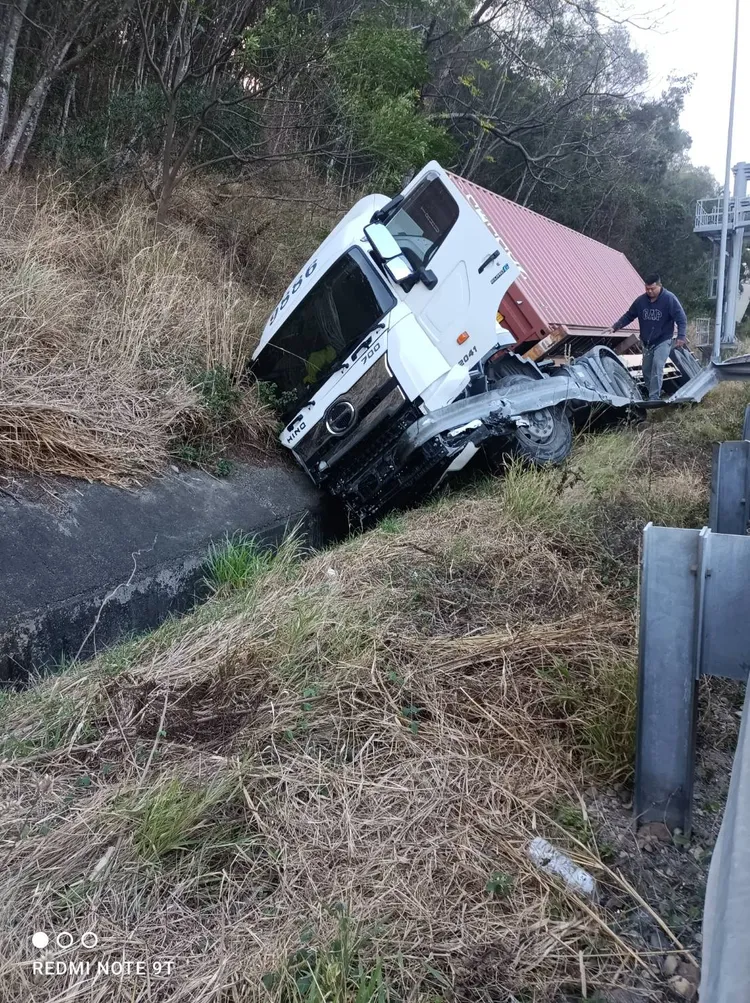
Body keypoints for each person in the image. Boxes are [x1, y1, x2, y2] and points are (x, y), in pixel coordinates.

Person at [606, 273, 688, 400]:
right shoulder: (640, 301)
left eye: (652, 289)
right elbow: (629, 315)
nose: (649, 291)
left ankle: (654, 397)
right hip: (647, 341)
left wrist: (681, 336)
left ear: (659, 286)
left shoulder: (669, 299)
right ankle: (653, 394)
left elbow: (681, 318)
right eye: (647, 289)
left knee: (657, 366)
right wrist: (615, 326)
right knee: (646, 370)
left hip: (663, 339)